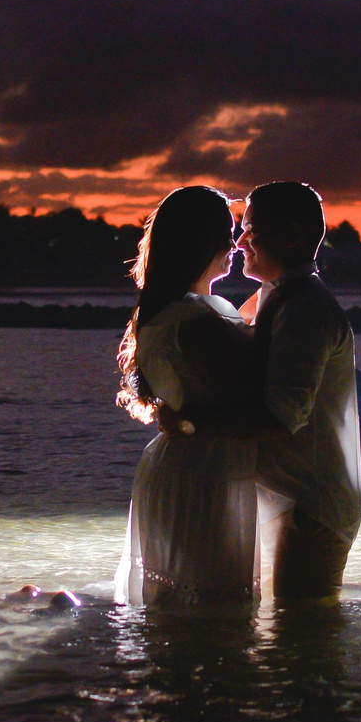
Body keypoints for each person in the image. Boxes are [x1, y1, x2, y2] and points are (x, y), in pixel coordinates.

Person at [169, 181, 361, 604]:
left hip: (310, 505)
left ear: (292, 234)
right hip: (287, 496)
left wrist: (188, 423)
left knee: (303, 640)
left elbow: (281, 416)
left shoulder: (305, 310)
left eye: (250, 229)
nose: (238, 241)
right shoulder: (275, 299)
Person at [110, 186, 260, 610]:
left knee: (182, 613)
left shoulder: (168, 311)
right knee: (215, 611)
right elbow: (251, 391)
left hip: (183, 463)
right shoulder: (194, 319)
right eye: (223, 234)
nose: (233, 245)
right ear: (197, 243)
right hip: (207, 470)